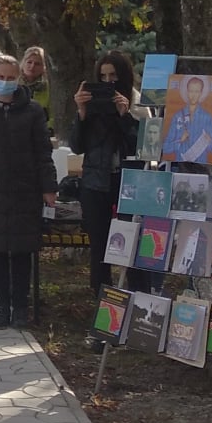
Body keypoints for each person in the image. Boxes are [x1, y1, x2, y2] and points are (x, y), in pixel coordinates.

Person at [0, 55, 57, 329]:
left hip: (23, 192)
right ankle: (2, 306)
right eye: (0, 77)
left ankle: (20, 308)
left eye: (10, 78)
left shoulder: (33, 111)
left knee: (21, 252)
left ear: (18, 79)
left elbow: (43, 153)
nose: (5, 82)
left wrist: (48, 188)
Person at [72, 52, 144, 292]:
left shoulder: (138, 103)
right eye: (102, 76)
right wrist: (82, 113)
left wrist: (125, 116)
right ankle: (101, 296)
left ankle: (135, 294)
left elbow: (141, 147)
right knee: (99, 244)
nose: (108, 81)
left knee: (132, 241)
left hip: (128, 182)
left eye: (113, 75)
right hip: (96, 181)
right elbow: (77, 146)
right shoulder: (92, 105)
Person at [19, 47, 53, 135]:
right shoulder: (14, 85)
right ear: (23, 63)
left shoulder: (48, 88)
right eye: (29, 62)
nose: (32, 66)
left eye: (37, 64)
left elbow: (53, 116)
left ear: (44, 67)